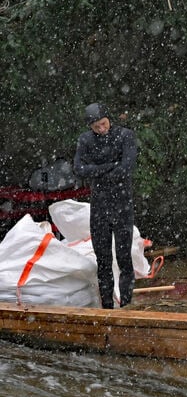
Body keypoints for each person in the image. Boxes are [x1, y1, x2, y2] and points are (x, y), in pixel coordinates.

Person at [73, 103, 138, 309]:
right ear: (90, 127)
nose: (101, 129)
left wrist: (98, 171)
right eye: (96, 127)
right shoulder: (85, 140)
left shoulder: (125, 135)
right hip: (99, 206)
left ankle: (127, 305)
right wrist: (109, 167)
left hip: (122, 204)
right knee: (103, 259)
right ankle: (107, 306)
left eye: (103, 124)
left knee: (124, 257)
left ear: (109, 119)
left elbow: (126, 168)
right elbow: (79, 169)